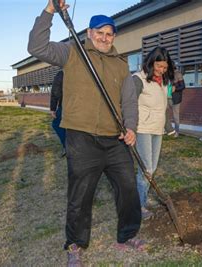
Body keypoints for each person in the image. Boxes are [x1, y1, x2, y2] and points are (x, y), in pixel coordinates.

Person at [28, 1, 143, 266]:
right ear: (89, 33)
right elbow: (36, 47)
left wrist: (131, 127)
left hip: (115, 140)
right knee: (80, 195)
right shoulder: (71, 52)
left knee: (128, 188)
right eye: (99, 32)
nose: (104, 37)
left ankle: (127, 235)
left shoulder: (120, 63)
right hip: (81, 138)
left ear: (114, 36)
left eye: (109, 33)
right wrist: (49, 12)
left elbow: (128, 101)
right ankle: (75, 244)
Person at [132, 46, 174, 219]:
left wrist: (168, 127)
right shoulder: (138, 78)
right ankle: (138, 206)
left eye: (165, 67)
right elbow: (128, 103)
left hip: (157, 129)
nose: (161, 70)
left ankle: (142, 197)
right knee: (146, 169)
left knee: (152, 168)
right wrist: (128, 127)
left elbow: (163, 106)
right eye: (159, 67)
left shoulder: (163, 81)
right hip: (142, 128)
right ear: (151, 63)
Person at [164, 66, 185, 137]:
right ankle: (167, 129)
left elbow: (183, 86)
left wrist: (175, 88)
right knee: (164, 114)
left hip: (175, 99)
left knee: (175, 116)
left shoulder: (178, 74)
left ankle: (177, 132)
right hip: (166, 98)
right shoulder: (166, 74)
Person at [50, 70, 66, 157]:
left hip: (66, 105)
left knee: (56, 124)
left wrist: (53, 108)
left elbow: (56, 91)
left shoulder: (62, 73)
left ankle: (66, 145)